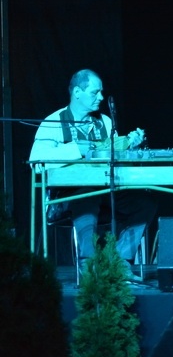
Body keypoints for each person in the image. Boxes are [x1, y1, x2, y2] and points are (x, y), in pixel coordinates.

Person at [29, 69, 155, 278]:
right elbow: (36, 161)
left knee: (145, 203)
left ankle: (120, 261)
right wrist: (76, 149)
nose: (101, 97)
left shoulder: (104, 122)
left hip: (105, 192)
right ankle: (89, 265)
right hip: (66, 198)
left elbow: (113, 157)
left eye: (101, 92)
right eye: (95, 92)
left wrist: (129, 145)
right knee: (87, 196)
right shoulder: (54, 122)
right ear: (77, 92)